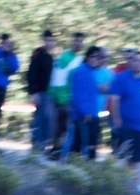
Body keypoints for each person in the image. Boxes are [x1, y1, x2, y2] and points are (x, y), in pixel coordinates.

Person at [108, 51, 140, 191]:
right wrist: (116, 118)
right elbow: (114, 99)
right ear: (131, 62)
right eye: (135, 60)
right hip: (125, 125)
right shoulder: (121, 78)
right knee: (124, 156)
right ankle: (123, 185)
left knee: (139, 158)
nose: (138, 63)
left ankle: (138, 186)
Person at [48, 32, 85, 160]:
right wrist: (60, 99)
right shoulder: (64, 57)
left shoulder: (80, 60)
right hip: (63, 99)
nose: (79, 43)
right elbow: (57, 79)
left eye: (81, 41)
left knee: (68, 128)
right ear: (72, 41)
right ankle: (54, 151)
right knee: (60, 127)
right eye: (77, 41)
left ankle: (64, 152)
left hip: (73, 99)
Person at [68, 46, 108, 159]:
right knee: (78, 146)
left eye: (98, 57)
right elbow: (77, 95)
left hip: (93, 113)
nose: (95, 59)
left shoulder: (91, 72)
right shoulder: (81, 71)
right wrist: (85, 112)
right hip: (83, 115)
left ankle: (87, 170)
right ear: (87, 57)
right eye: (92, 56)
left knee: (91, 146)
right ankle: (71, 170)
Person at [26, 30, 56, 154]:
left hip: (48, 92)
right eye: (47, 40)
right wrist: (33, 92)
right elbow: (31, 73)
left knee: (48, 119)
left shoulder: (50, 57)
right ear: (43, 41)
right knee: (40, 118)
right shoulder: (38, 54)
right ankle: (36, 144)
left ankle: (43, 144)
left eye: (51, 41)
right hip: (39, 92)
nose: (49, 43)